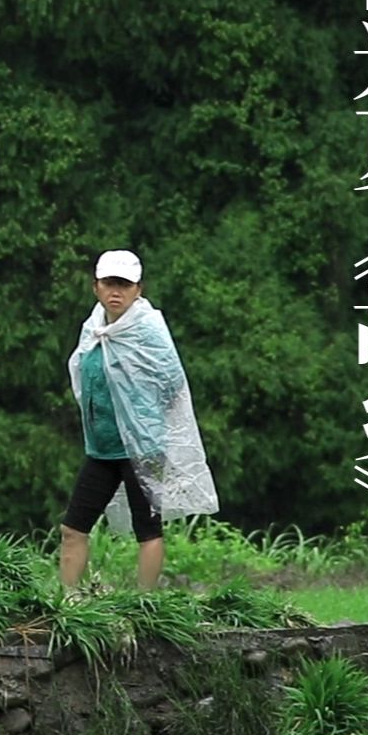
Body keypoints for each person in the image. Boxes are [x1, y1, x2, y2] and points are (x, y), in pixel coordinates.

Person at [58, 249, 217, 590]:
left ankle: (143, 604)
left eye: (124, 285)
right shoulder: (94, 328)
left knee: (147, 531)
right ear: (96, 287)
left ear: (138, 289)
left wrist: (141, 416)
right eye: (109, 283)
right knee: (73, 529)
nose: (116, 292)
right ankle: (68, 602)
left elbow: (173, 383)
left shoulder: (148, 332)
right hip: (101, 448)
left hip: (142, 449)